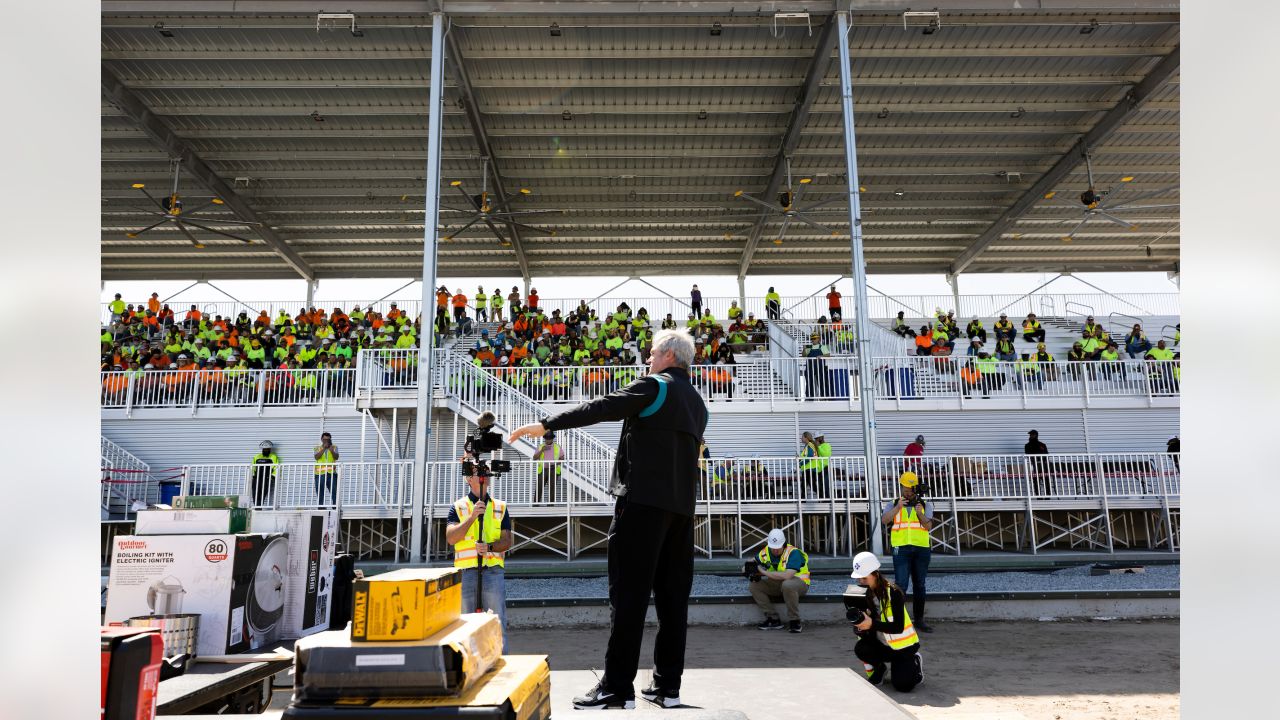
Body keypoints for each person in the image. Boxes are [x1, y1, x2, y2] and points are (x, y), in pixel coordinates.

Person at [508, 328, 708, 710]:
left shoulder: (656, 386)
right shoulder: (699, 403)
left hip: (641, 507)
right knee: (673, 601)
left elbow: (602, 407)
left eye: (651, 353)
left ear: (668, 355)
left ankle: (617, 687)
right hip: (682, 512)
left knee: (628, 596)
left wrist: (549, 425)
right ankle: (667, 687)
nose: (647, 359)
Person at [445, 460, 513, 652]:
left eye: (484, 471)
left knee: (497, 621)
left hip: (492, 572)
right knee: (464, 624)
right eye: (477, 471)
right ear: (468, 479)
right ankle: (468, 666)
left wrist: (490, 547)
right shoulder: (458, 507)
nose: (483, 474)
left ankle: (501, 663)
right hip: (466, 573)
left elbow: (507, 541)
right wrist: (472, 517)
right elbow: (451, 538)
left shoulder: (500, 507)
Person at [849, 551, 924, 692]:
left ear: (875, 574)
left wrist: (871, 623)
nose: (861, 582)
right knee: (861, 648)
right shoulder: (863, 594)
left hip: (903, 648)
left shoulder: (894, 593)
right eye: (859, 579)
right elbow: (865, 625)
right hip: (883, 646)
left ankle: (914, 661)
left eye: (864, 578)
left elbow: (898, 627)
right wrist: (859, 626)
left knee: (903, 686)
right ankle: (880, 669)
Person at [882, 471, 934, 633]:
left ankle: (919, 620)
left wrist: (920, 513)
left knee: (920, 584)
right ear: (901, 486)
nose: (908, 491)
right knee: (901, 585)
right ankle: (899, 621)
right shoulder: (893, 503)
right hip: (901, 548)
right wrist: (898, 507)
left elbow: (928, 526)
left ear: (915, 488)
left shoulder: (926, 505)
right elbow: (884, 520)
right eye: (905, 487)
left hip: (921, 549)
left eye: (911, 488)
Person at [748, 529, 811, 633]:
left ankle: (795, 621)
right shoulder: (766, 551)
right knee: (754, 586)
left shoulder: (793, 553)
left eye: (778, 547)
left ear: (784, 544)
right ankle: (773, 619)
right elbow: (752, 561)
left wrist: (763, 572)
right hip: (779, 583)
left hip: (799, 583)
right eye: (773, 548)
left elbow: (787, 575)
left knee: (788, 584)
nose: (775, 550)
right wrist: (748, 567)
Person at [531, 432, 562, 504]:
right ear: (545, 439)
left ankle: (551, 506)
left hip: (553, 469)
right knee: (539, 487)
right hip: (543, 470)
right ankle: (536, 505)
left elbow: (562, 458)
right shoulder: (540, 446)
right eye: (547, 438)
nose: (548, 440)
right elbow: (534, 458)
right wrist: (542, 450)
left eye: (550, 438)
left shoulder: (557, 447)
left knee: (552, 489)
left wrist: (556, 463)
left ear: (552, 439)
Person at [250, 440, 279, 508]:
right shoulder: (257, 456)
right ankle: (256, 507)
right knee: (255, 493)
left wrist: (272, 477)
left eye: (267, 449)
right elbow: (253, 467)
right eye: (264, 449)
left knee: (263, 493)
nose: (266, 450)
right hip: (257, 478)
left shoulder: (273, 457)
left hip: (267, 478)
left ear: (270, 449)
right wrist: (253, 476)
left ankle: (259, 507)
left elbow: (276, 467)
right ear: (262, 449)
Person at [313, 432, 339, 506]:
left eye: (328, 440)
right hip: (320, 474)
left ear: (330, 440)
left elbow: (336, 457)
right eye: (324, 439)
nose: (326, 441)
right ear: (321, 439)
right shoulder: (317, 448)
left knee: (334, 491)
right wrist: (324, 448)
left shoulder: (334, 447)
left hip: (331, 473)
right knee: (320, 491)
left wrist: (331, 450)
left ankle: (335, 506)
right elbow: (316, 457)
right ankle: (321, 507)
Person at [1025, 429, 1051, 495]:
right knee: (1036, 482)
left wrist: (1042, 461)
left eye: (1032, 435)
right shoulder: (1027, 445)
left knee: (1046, 481)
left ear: (1036, 435)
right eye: (1030, 435)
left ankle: (1047, 497)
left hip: (1043, 466)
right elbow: (1028, 455)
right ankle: (1038, 497)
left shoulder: (1042, 445)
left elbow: (1046, 455)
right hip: (1034, 466)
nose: (1030, 436)